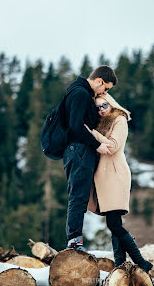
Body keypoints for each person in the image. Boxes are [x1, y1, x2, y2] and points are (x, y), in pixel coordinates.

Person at [85, 93, 153, 273]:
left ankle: (141, 262)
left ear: (111, 104)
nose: (101, 110)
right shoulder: (101, 123)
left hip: (115, 175)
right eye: (98, 107)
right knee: (114, 224)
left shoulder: (119, 120)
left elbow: (113, 146)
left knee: (114, 224)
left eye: (104, 106)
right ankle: (121, 266)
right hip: (105, 178)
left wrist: (91, 134)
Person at [63, 65, 117, 251]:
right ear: (99, 81)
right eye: (106, 88)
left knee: (80, 195)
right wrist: (97, 145)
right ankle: (74, 242)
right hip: (79, 150)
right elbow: (77, 126)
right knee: (78, 196)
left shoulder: (79, 92)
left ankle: (74, 240)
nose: (105, 92)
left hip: (78, 150)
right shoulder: (81, 94)